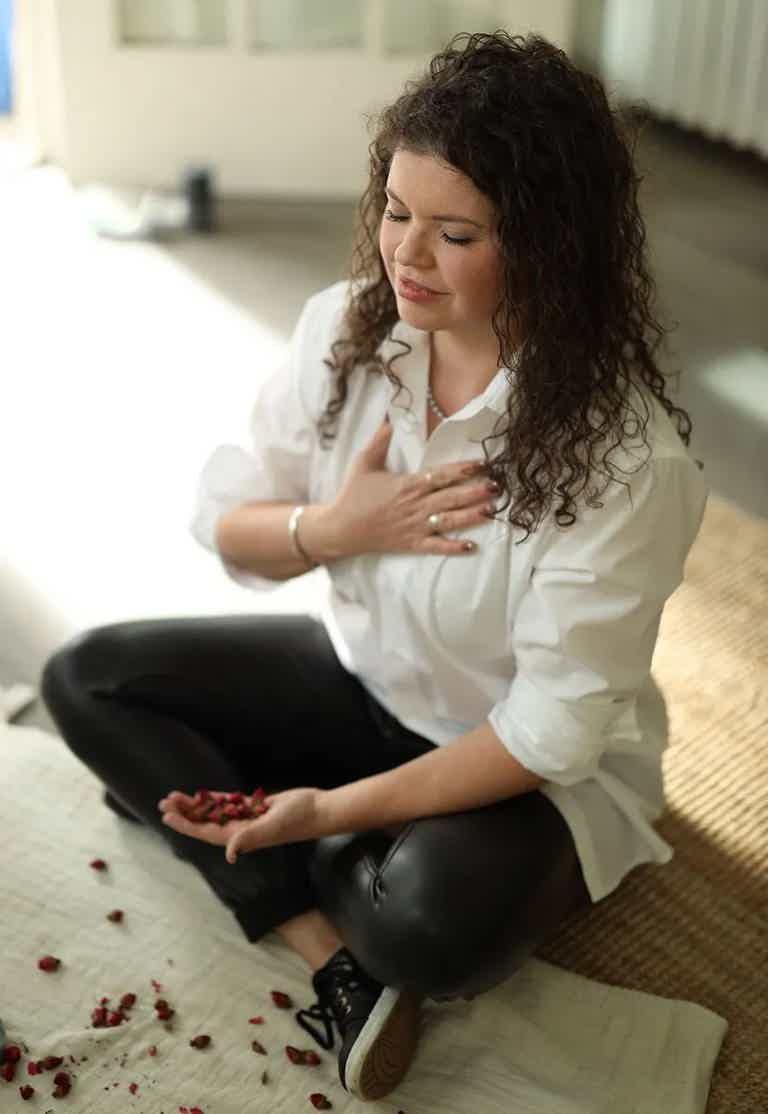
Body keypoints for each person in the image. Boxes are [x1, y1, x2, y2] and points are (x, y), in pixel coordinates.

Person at [40, 30, 708, 1104]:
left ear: (546, 244)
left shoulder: (628, 463)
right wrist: (333, 529)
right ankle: (316, 931)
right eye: (397, 210)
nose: (406, 255)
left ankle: (279, 845)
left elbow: (547, 733)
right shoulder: (350, 330)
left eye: (454, 233)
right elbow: (225, 523)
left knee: (432, 928)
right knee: (86, 679)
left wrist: (325, 809)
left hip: (513, 767)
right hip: (365, 682)